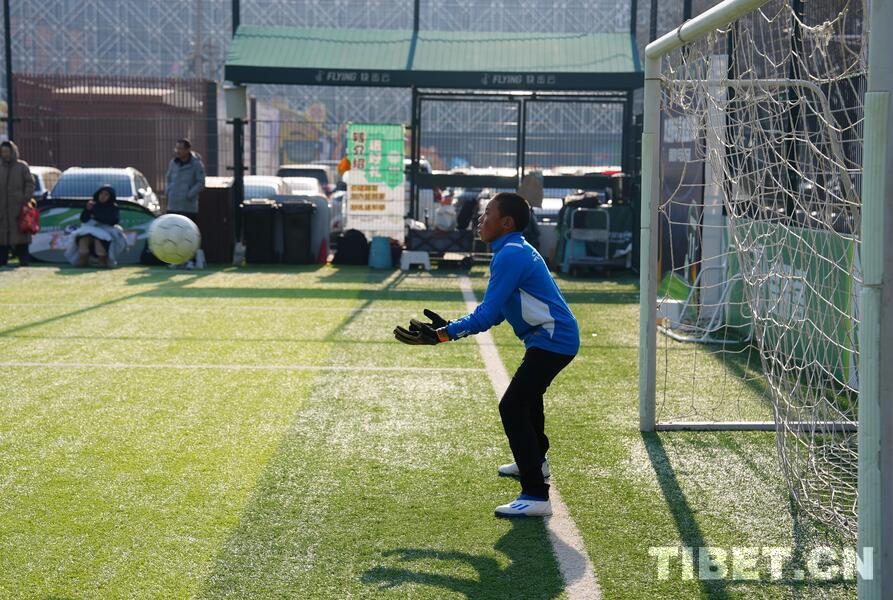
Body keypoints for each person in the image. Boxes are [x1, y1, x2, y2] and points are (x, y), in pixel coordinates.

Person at [394, 192, 580, 518]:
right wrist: (448, 328)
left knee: (513, 406)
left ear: (506, 222)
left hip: (553, 340)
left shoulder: (510, 254)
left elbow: (487, 314)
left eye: (487, 213)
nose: (481, 219)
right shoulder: (512, 249)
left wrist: (443, 334)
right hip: (551, 339)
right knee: (527, 400)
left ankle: (536, 494)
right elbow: (496, 314)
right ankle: (536, 462)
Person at [164, 138, 205, 267]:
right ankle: (175, 259)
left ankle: (190, 261)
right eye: (176, 148)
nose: (177, 151)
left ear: (188, 150)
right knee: (173, 233)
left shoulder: (196, 164)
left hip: (188, 206)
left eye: (180, 148)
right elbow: (168, 178)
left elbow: (201, 182)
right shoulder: (173, 162)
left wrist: (189, 194)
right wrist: (168, 191)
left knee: (188, 235)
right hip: (173, 204)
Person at [65, 185, 127, 268]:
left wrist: (96, 216)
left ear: (110, 196)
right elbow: (84, 219)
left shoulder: (113, 207)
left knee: (99, 239)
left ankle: (102, 260)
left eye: (106, 194)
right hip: (90, 228)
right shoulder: (92, 205)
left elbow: (113, 220)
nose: (103, 196)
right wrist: (87, 210)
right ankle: (83, 259)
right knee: (83, 238)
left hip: (107, 231)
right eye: (101, 193)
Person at [0, 141, 35, 267]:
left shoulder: (22, 166)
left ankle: (24, 262)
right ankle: (2, 261)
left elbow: (30, 183)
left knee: (21, 235)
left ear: (12, 152)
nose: (4, 154)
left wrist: (25, 198)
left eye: (6, 151)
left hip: (19, 208)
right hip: (2, 208)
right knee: (2, 237)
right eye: (2, 152)